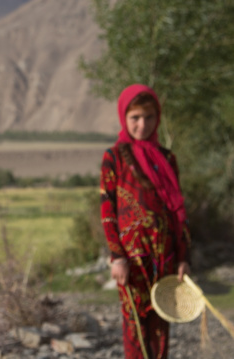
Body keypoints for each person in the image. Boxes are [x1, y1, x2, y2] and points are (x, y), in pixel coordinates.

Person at [100, 84, 191, 359]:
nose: (143, 124)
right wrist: (117, 256)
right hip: (131, 261)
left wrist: (184, 257)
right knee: (135, 327)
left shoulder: (166, 158)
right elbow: (107, 211)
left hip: (165, 257)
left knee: (161, 326)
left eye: (149, 117)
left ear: (158, 118)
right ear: (124, 119)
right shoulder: (114, 158)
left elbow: (177, 210)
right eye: (135, 118)